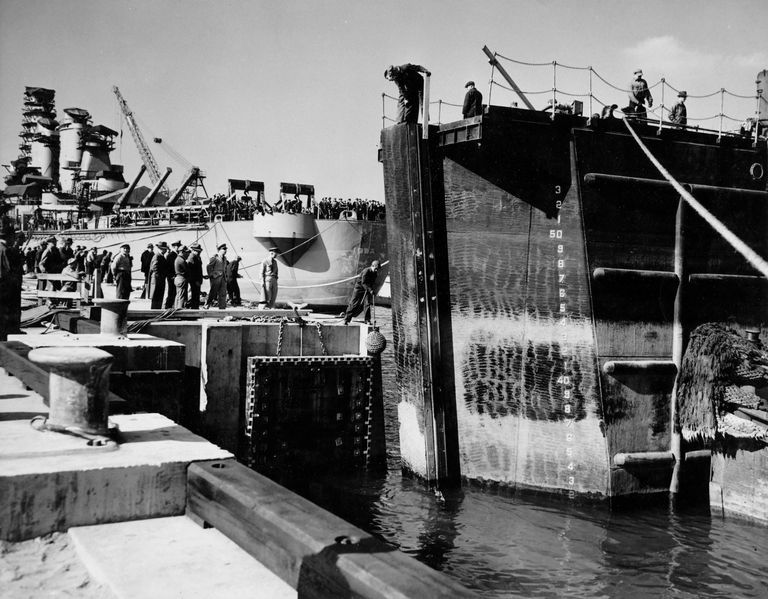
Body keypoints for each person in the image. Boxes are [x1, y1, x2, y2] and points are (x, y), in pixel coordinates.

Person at [343, 260, 381, 325]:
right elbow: (364, 283)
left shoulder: (375, 273)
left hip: (367, 289)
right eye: (376, 269)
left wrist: (372, 290)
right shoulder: (366, 271)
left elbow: (372, 283)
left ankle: (367, 320)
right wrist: (370, 290)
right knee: (354, 303)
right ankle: (347, 319)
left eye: (378, 269)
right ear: (373, 266)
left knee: (367, 304)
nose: (377, 270)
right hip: (359, 289)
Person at [205, 243, 228, 310]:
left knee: (223, 293)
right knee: (213, 293)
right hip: (216, 278)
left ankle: (222, 307)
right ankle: (207, 305)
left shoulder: (225, 258)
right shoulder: (214, 258)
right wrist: (211, 275)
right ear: (219, 250)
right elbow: (209, 267)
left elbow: (225, 268)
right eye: (223, 249)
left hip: (223, 279)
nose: (225, 250)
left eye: (226, 249)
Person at [148, 241, 168, 309]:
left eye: (165, 249)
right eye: (162, 249)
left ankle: (157, 310)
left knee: (159, 296)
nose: (164, 250)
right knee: (156, 297)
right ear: (159, 249)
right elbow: (154, 268)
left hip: (160, 279)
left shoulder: (161, 256)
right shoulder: (157, 256)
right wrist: (161, 276)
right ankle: (154, 312)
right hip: (157, 280)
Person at [187, 242, 204, 309]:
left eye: (200, 251)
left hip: (198, 280)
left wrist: (201, 277)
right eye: (198, 251)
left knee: (196, 296)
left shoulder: (197, 257)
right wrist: (195, 280)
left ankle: (195, 309)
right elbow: (191, 271)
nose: (199, 252)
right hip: (194, 281)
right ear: (193, 250)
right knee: (194, 296)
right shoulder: (192, 257)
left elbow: (198, 270)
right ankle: (193, 310)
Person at [164, 240, 181, 308]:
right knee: (171, 293)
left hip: (175, 277)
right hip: (172, 277)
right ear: (174, 247)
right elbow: (168, 267)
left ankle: (171, 306)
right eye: (178, 246)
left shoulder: (176, 255)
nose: (179, 248)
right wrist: (171, 276)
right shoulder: (171, 255)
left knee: (174, 293)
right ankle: (168, 307)